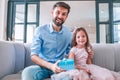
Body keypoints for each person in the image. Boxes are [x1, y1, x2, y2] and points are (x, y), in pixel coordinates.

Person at [22, 2, 72, 80]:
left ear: (66, 16)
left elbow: (71, 53)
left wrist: (87, 51)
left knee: (69, 76)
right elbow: (34, 56)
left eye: (63, 14)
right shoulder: (40, 30)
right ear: (52, 13)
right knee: (27, 72)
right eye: (57, 12)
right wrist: (51, 66)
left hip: (61, 67)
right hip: (43, 66)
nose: (60, 16)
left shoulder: (68, 33)